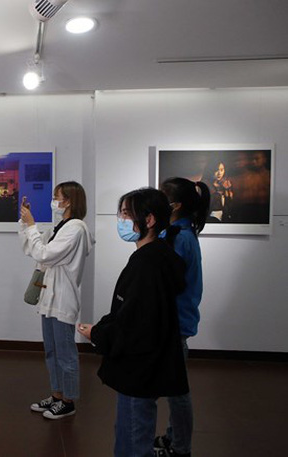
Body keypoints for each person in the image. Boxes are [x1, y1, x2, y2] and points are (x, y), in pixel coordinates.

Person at [77, 188, 188, 457]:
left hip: (139, 366)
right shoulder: (158, 257)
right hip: (146, 364)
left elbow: (136, 321)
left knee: (133, 438)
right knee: (131, 432)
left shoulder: (147, 265)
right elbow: (131, 310)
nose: (121, 220)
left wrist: (98, 334)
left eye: (126, 214)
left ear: (149, 220)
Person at [19, 181, 95, 419]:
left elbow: (44, 253)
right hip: (49, 297)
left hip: (63, 300)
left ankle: (69, 400)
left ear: (69, 201)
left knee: (66, 353)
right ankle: (57, 396)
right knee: (52, 351)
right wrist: (26, 222)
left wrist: (31, 225)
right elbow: (33, 248)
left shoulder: (76, 228)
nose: (54, 201)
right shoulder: (60, 226)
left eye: (57, 197)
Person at [154, 178, 210, 457]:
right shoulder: (180, 233)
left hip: (174, 321)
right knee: (174, 386)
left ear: (174, 205)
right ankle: (173, 437)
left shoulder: (179, 238)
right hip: (176, 320)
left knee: (177, 391)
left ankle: (180, 448)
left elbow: (167, 282)